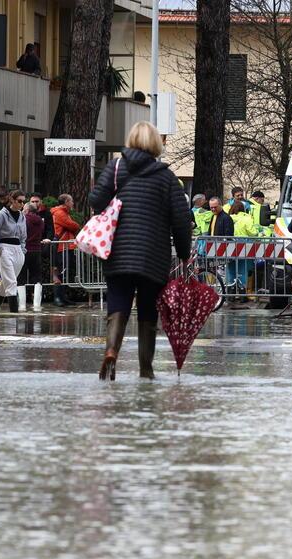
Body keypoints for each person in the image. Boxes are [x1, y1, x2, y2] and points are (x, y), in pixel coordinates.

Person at [88, 121, 192, 381]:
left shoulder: (115, 168)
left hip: (118, 251)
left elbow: (96, 201)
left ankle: (111, 350)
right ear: (156, 143)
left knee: (118, 303)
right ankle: (146, 367)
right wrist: (183, 252)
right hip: (152, 256)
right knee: (148, 310)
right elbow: (181, 219)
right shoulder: (166, 177)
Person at [0, 191, 27, 313]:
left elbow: (23, 236)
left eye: (23, 201)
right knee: (11, 282)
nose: (22, 203)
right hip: (5, 248)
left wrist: (22, 250)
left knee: (6, 283)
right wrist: (0, 249)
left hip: (18, 250)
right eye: (19, 201)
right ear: (13, 200)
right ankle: (14, 313)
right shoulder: (1, 215)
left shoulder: (22, 216)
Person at [227, 200, 261, 306]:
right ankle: (242, 295)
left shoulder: (228, 218)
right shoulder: (247, 218)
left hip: (229, 246)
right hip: (244, 246)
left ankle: (231, 294)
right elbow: (253, 232)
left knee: (230, 269)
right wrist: (260, 233)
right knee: (242, 269)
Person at [51, 194, 81, 307]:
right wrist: (75, 225)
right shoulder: (60, 213)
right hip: (61, 246)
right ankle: (58, 298)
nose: (73, 203)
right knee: (60, 271)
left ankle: (62, 297)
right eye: (71, 201)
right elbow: (73, 226)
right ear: (66, 202)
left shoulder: (64, 213)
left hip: (65, 246)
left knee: (64, 272)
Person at [20, 202, 50, 312]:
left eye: (23, 209)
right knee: (37, 278)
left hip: (25, 250)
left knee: (21, 278)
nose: (22, 210)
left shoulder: (23, 219)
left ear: (27, 210)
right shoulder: (40, 221)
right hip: (37, 250)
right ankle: (37, 304)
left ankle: (21, 305)